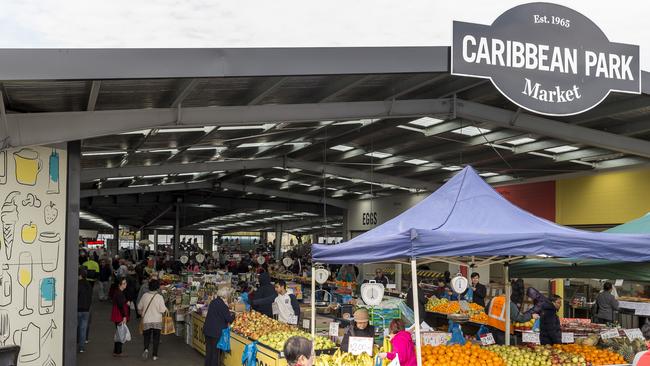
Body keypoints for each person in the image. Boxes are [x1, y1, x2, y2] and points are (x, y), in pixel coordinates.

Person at [204, 287, 235, 366]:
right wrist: (234, 315)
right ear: (225, 296)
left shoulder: (213, 302)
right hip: (216, 332)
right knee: (215, 354)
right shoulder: (223, 305)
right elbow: (229, 319)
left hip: (208, 330)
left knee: (209, 352)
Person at [138, 279, 167, 361]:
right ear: (157, 287)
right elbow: (162, 310)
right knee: (156, 338)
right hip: (157, 321)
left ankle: (146, 349)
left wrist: (142, 313)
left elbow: (139, 307)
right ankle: (154, 355)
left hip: (147, 320)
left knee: (146, 336)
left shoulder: (144, 296)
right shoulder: (159, 297)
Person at [111, 277, 129, 357]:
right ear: (119, 285)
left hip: (117, 315)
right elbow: (121, 306)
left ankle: (116, 351)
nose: (126, 285)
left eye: (126, 283)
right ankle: (118, 351)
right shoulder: (119, 293)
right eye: (124, 283)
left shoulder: (118, 292)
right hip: (119, 315)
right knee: (121, 332)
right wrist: (124, 316)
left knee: (119, 332)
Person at [77, 268, 93, 353]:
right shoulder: (89, 285)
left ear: (79, 275)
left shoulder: (77, 284)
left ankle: (75, 342)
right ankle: (81, 347)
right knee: (83, 328)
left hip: (78, 309)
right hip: (87, 309)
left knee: (76, 326)